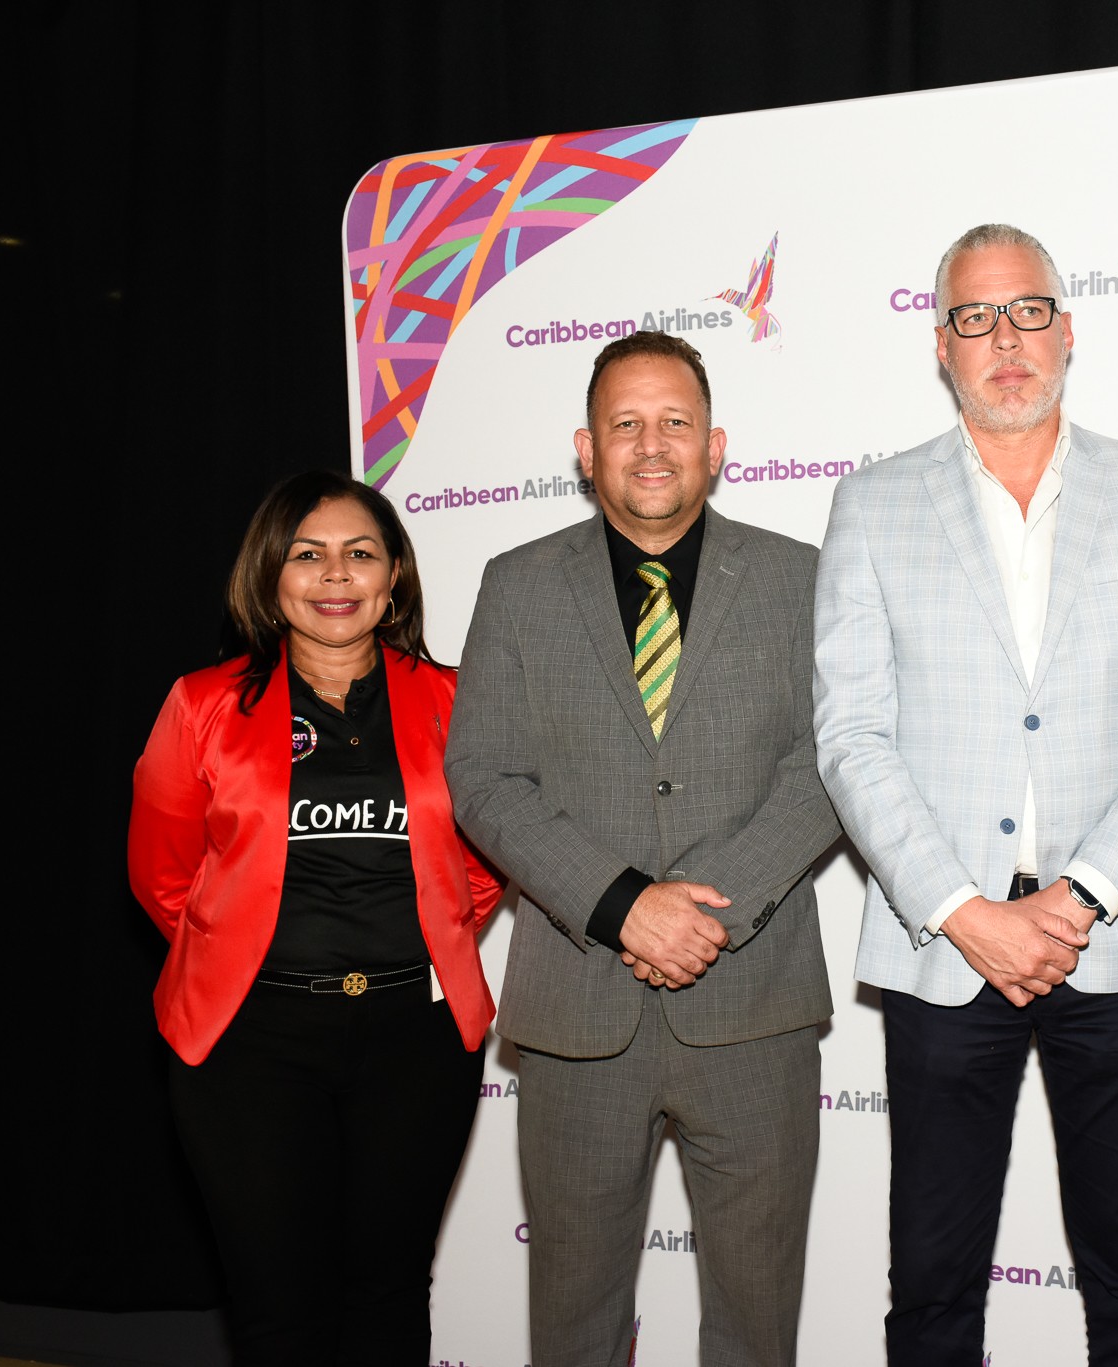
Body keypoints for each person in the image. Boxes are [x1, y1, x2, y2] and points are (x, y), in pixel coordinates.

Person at [814, 223, 1118, 1366]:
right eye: (974, 317)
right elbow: (850, 735)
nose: (1005, 340)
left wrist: (1078, 895)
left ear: (1067, 328)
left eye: (1027, 312)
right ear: (939, 345)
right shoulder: (871, 504)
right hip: (942, 943)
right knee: (934, 1283)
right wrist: (966, 909)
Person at [446, 330, 839, 1367]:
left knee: (755, 1322)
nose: (651, 444)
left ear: (717, 446)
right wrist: (624, 905)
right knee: (573, 1320)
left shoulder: (802, 579)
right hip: (579, 1011)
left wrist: (705, 915)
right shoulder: (517, 584)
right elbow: (484, 779)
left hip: (753, 1007)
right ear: (586, 448)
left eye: (675, 422)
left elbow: (833, 763)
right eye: (625, 424)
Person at [127, 470, 503, 1366]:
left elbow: (485, 867)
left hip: (414, 1040)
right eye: (308, 554)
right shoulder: (202, 704)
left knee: (388, 1294)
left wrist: (432, 934)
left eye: (360, 553)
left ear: (394, 578)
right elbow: (163, 876)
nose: (335, 575)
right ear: (270, 574)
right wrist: (239, 956)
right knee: (278, 1308)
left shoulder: (457, 700)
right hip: (252, 1047)